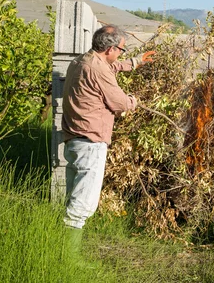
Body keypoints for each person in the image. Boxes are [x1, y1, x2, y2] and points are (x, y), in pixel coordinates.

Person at [61, 24, 155, 230]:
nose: (121, 53)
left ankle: (62, 247)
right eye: (121, 49)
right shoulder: (97, 69)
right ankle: (68, 254)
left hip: (75, 140)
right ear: (110, 49)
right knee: (83, 203)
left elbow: (109, 67)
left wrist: (135, 62)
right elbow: (119, 103)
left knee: (73, 196)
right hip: (91, 142)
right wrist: (133, 101)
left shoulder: (80, 61)